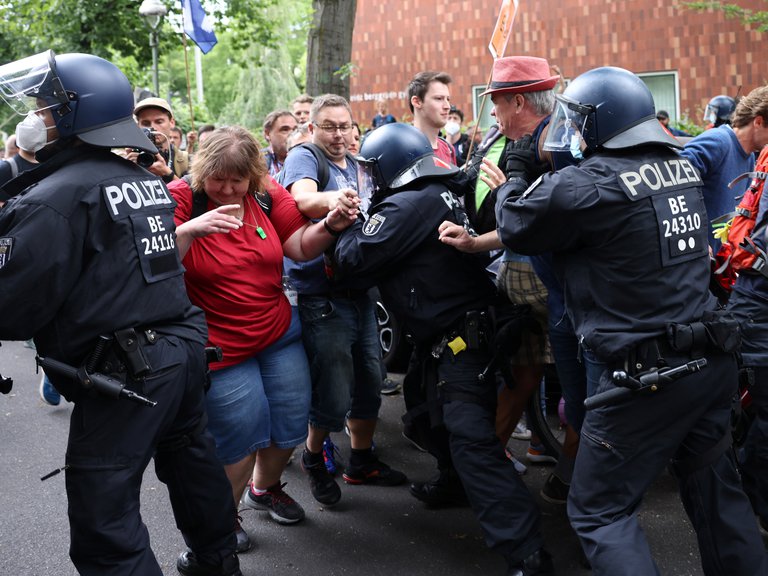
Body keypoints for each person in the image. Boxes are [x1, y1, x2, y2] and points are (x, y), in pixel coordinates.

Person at [496, 65, 768, 575]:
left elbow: (515, 224)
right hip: (708, 362)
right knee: (717, 497)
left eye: (577, 123)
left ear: (599, 122)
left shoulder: (589, 183)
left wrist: (514, 173)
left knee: (599, 512)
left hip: (645, 377)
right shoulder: (680, 166)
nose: (571, 133)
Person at [0, 50, 241, 576]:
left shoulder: (57, 198)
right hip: (181, 352)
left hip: (126, 373)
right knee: (193, 468)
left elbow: (11, 309)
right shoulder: (136, 180)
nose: (35, 118)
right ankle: (217, 563)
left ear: (72, 114)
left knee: (103, 514)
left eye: (44, 107)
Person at [334, 122, 554, 576]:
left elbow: (355, 259)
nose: (369, 180)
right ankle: (454, 484)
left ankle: (528, 551)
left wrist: (344, 229)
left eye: (371, 172)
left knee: (472, 441)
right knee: (420, 414)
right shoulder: (438, 190)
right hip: (443, 336)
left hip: (460, 340)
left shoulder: (405, 205)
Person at [168, 125, 358, 553]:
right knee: (238, 440)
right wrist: (191, 230)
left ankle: (265, 487)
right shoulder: (183, 196)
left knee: (290, 424)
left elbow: (301, 248)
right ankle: (223, 517)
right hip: (218, 345)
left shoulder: (266, 194)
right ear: (202, 171)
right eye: (219, 179)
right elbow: (153, 260)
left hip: (276, 332)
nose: (228, 189)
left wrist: (330, 223)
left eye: (238, 180)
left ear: (253, 176)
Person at [439, 55, 585, 501]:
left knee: (580, 399)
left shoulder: (559, 148)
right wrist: (474, 242)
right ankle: (484, 475)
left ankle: (578, 489)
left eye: (496, 103)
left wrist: (508, 189)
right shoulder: (533, 140)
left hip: (561, 291)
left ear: (518, 100)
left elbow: (528, 224)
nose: (494, 115)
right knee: (525, 376)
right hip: (538, 282)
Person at [280, 94, 406, 507]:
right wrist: (335, 200)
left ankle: (362, 460)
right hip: (323, 295)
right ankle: (315, 458)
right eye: (329, 126)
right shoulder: (305, 156)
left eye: (345, 126)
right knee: (334, 387)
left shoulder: (358, 165)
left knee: (370, 380)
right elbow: (301, 198)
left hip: (361, 290)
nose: (338, 134)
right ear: (314, 128)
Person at [681, 87, 768, 250]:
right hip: (696, 261)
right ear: (758, 122)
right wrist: (694, 239)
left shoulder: (750, 156)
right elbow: (668, 189)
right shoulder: (717, 142)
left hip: (719, 265)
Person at [128, 97, 190, 181]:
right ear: (138, 126)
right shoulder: (131, 157)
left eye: (159, 121)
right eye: (146, 123)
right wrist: (128, 169)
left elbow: (190, 193)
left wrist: (167, 173)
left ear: (172, 122)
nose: (152, 127)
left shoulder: (185, 161)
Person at [407, 70, 456, 164]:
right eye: (439, 98)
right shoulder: (402, 149)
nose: (447, 106)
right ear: (417, 102)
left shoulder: (448, 149)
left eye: (448, 99)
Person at [262, 109, 298, 177]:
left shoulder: (307, 158)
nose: (292, 134)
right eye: (285, 130)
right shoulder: (257, 161)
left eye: (295, 129)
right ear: (267, 134)